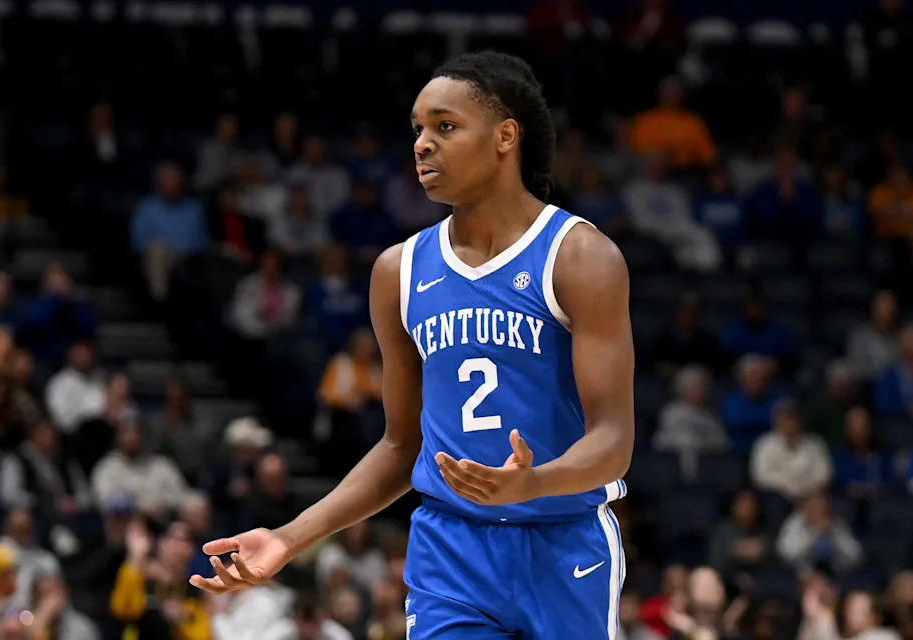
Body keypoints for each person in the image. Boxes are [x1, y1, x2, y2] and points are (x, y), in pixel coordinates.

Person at [189, 51, 635, 640]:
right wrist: (288, 538)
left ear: (506, 136)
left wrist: (534, 483)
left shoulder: (579, 256)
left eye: (445, 127)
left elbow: (614, 440)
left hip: (564, 541)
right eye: (418, 129)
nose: (423, 144)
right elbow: (402, 445)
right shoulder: (398, 271)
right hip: (449, 550)